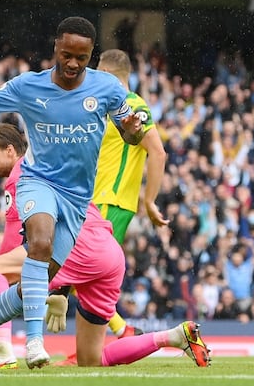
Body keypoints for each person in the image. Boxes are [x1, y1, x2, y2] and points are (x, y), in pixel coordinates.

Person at [0, 16, 145, 370]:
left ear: (91, 54)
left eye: (82, 56)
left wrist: (132, 130)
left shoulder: (108, 88)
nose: (73, 63)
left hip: (77, 200)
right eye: (67, 54)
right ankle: (34, 342)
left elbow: (132, 135)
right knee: (40, 243)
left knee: (36, 287)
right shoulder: (28, 86)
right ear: (56, 49)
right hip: (38, 181)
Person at [0, 123, 210, 369]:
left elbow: (14, 250)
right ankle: (174, 336)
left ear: (11, 150)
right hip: (109, 254)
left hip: (78, 248)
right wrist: (60, 290)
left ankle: (0, 348)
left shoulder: (21, 175)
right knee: (91, 359)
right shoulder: (53, 167)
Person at [85, 49, 170, 341]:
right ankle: (120, 332)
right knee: (81, 272)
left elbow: (158, 152)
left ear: (107, 74)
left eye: (97, 71)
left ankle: (121, 332)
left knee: (80, 268)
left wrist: (149, 200)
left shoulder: (132, 104)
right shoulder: (107, 106)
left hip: (111, 200)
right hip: (94, 201)